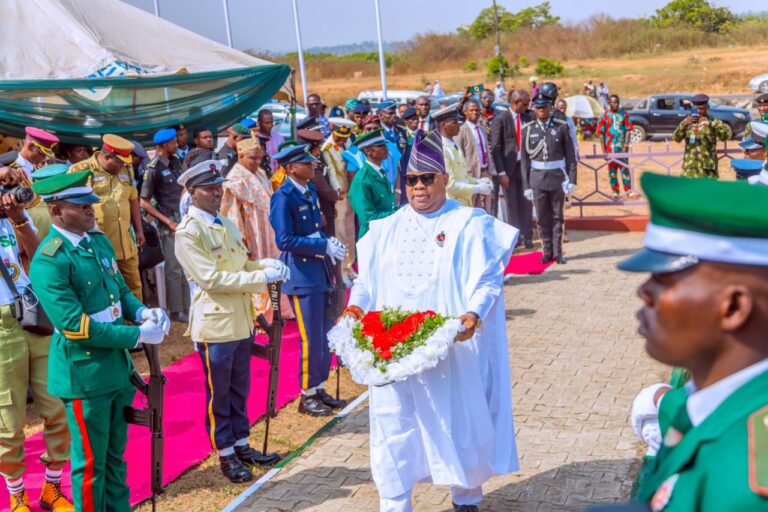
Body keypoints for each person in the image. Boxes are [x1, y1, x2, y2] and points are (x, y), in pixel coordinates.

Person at [343, 128, 520, 512]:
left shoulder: (470, 224)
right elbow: (366, 284)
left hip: (449, 348)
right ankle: (395, 501)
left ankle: (466, 497)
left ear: (444, 179)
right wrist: (354, 309)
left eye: (427, 178)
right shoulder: (383, 230)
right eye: (411, 180)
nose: (419, 187)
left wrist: (473, 315)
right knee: (394, 425)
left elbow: (488, 279)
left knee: (456, 420)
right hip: (391, 348)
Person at [621, 173, 768, 511]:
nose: (644, 292)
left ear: (732, 307)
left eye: (664, 280)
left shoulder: (746, 479)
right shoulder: (710, 404)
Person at [30, 170, 169, 512]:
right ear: (57, 210)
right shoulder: (50, 260)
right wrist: (136, 334)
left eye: (91, 202)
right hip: (85, 375)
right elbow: (75, 326)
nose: (92, 209)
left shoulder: (98, 241)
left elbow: (120, 290)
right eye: (81, 205)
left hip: (115, 368)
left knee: (115, 458)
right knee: (90, 465)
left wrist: (141, 312)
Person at [175, 159, 284, 483]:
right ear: (192, 193)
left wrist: (264, 267)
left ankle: (241, 443)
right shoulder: (189, 232)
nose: (216, 192)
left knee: (239, 388)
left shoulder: (224, 223)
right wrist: (258, 278)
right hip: (216, 324)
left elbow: (241, 263)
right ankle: (224, 453)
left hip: (240, 319)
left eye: (218, 186)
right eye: (208, 188)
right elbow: (211, 278)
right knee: (219, 394)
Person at [0, 156, 74, 512]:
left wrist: (18, 219)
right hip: (1, 326)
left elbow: (37, 255)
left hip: (34, 313)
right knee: (9, 419)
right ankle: (16, 495)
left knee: (57, 405)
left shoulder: (12, 216)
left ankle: (52, 488)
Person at [269, 143, 348, 417]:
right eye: (306, 162)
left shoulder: (309, 190)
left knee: (326, 333)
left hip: (320, 270)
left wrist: (327, 242)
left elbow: (314, 229)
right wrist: (320, 247)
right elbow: (284, 240)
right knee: (311, 337)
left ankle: (319, 386)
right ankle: (306, 395)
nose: (313, 164)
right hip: (302, 275)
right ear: (291, 167)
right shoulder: (284, 197)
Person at [219, 137, 295, 319]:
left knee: (275, 267)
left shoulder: (259, 172)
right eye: (252, 158)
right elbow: (232, 214)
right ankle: (261, 314)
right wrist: (241, 240)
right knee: (258, 270)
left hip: (268, 231)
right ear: (241, 155)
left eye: (259, 158)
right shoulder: (234, 179)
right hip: (253, 233)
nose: (257, 162)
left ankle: (280, 310)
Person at [69, 134, 145, 300]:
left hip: (126, 243)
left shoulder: (127, 169)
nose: (122, 166)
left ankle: (138, 323)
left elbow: (133, 200)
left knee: (134, 286)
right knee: (105, 290)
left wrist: (139, 230)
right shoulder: (80, 170)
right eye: (118, 162)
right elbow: (69, 207)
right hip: (98, 244)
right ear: (106, 156)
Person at [140, 128, 190, 322]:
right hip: (169, 223)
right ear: (163, 145)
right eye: (174, 142)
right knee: (174, 267)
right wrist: (167, 221)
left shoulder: (176, 161)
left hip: (184, 219)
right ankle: (176, 311)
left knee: (187, 265)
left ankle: (188, 305)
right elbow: (143, 201)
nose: (177, 145)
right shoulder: (153, 168)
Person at [521, 98, 577, 264]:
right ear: (535, 110)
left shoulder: (561, 127)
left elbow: (570, 156)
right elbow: (524, 161)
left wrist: (572, 179)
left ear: (550, 108)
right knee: (542, 217)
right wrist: (526, 186)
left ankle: (558, 252)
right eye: (538, 108)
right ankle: (547, 252)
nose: (541, 111)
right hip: (537, 178)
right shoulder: (528, 130)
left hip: (557, 177)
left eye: (544, 107)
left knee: (557, 216)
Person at [491, 89, 535, 246]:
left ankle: (528, 236)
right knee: (512, 206)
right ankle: (516, 238)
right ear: (516, 103)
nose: (528, 106)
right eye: (525, 103)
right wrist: (501, 172)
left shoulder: (529, 117)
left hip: (525, 168)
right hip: (508, 170)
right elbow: (495, 148)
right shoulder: (500, 120)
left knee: (527, 203)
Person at [433, 104, 493, 208]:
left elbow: (461, 177)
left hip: (462, 202)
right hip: (451, 204)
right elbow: (449, 185)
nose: (459, 125)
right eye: (454, 122)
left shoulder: (453, 144)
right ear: (443, 125)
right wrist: (477, 188)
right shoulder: (442, 149)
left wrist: (477, 181)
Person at [322, 118, 358, 285]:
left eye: (345, 136)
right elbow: (331, 173)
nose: (342, 140)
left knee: (351, 233)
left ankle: (350, 266)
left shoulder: (347, 144)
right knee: (341, 233)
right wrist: (337, 193)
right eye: (339, 136)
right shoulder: (327, 149)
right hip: (340, 196)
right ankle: (342, 270)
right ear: (332, 131)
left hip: (351, 193)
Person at [348, 129, 398, 237]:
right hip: (373, 236)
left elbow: (389, 205)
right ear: (368, 151)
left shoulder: (380, 172)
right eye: (380, 146)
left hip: (387, 231)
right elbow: (368, 219)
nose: (386, 148)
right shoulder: (362, 180)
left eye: (385, 144)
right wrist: (397, 214)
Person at [672, 93, 730, 178]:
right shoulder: (688, 121)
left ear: (707, 107)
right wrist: (684, 124)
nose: (699, 111)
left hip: (708, 170)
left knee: (708, 191)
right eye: (696, 109)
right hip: (690, 169)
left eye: (701, 109)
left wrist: (711, 124)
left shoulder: (713, 121)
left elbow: (725, 136)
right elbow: (676, 138)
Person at [456, 99, 493, 213]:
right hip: (471, 174)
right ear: (465, 112)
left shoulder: (481, 128)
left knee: (487, 206)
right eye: (471, 110)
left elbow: (486, 150)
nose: (474, 112)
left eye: (477, 110)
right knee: (472, 205)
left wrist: (491, 169)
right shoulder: (461, 130)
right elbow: (458, 154)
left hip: (485, 171)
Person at [596, 94, 635, 198]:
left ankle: (628, 191)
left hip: (622, 148)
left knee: (625, 169)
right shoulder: (604, 116)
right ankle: (615, 191)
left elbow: (628, 130)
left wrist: (626, 144)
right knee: (612, 171)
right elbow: (601, 134)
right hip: (610, 149)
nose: (616, 104)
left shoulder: (624, 114)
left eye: (617, 102)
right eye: (614, 102)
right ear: (609, 103)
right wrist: (604, 152)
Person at [255, 110, 284, 175]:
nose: (270, 125)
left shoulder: (279, 138)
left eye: (271, 122)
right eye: (266, 123)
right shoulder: (254, 140)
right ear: (259, 123)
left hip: (277, 179)